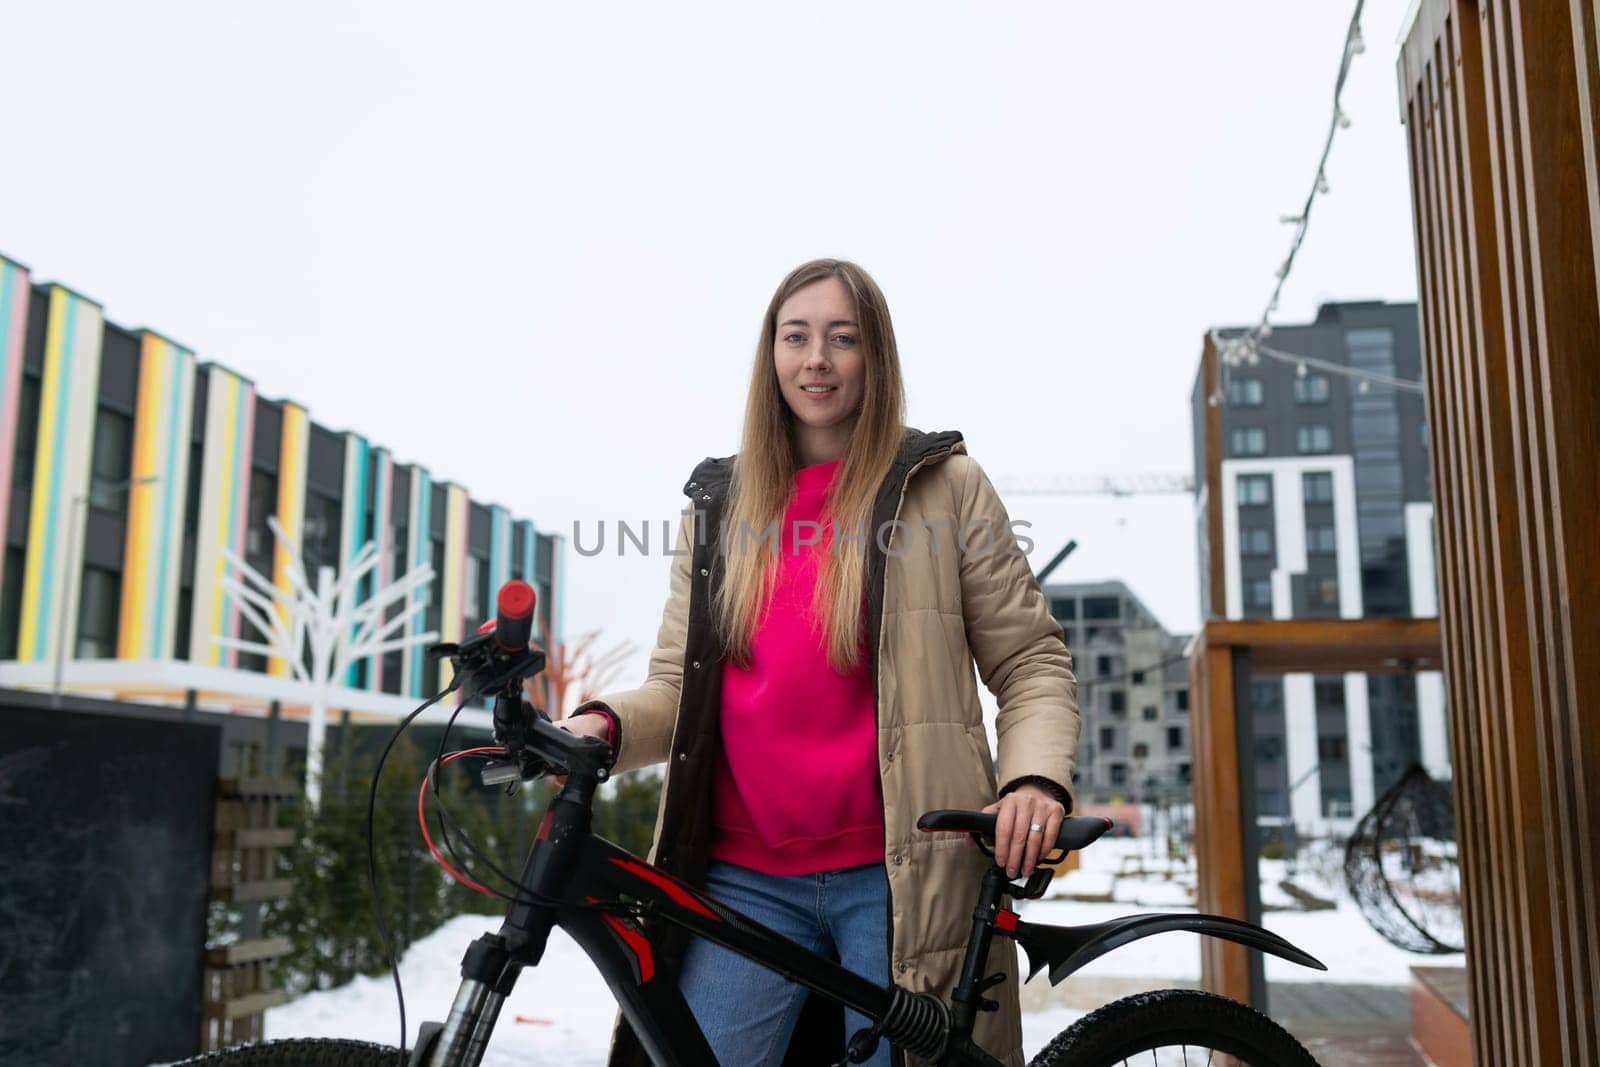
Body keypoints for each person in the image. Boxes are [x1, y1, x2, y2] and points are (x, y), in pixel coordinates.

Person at [558, 258, 1080, 1067]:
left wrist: (1034, 779)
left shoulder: (944, 488)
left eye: (843, 338)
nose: (817, 360)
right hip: (741, 878)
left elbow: (1032, 660)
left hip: (899, 876)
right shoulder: (719, 507)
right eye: (795, 336)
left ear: (876, 356)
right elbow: (675, 687)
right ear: (770, 356)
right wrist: (601, 723)